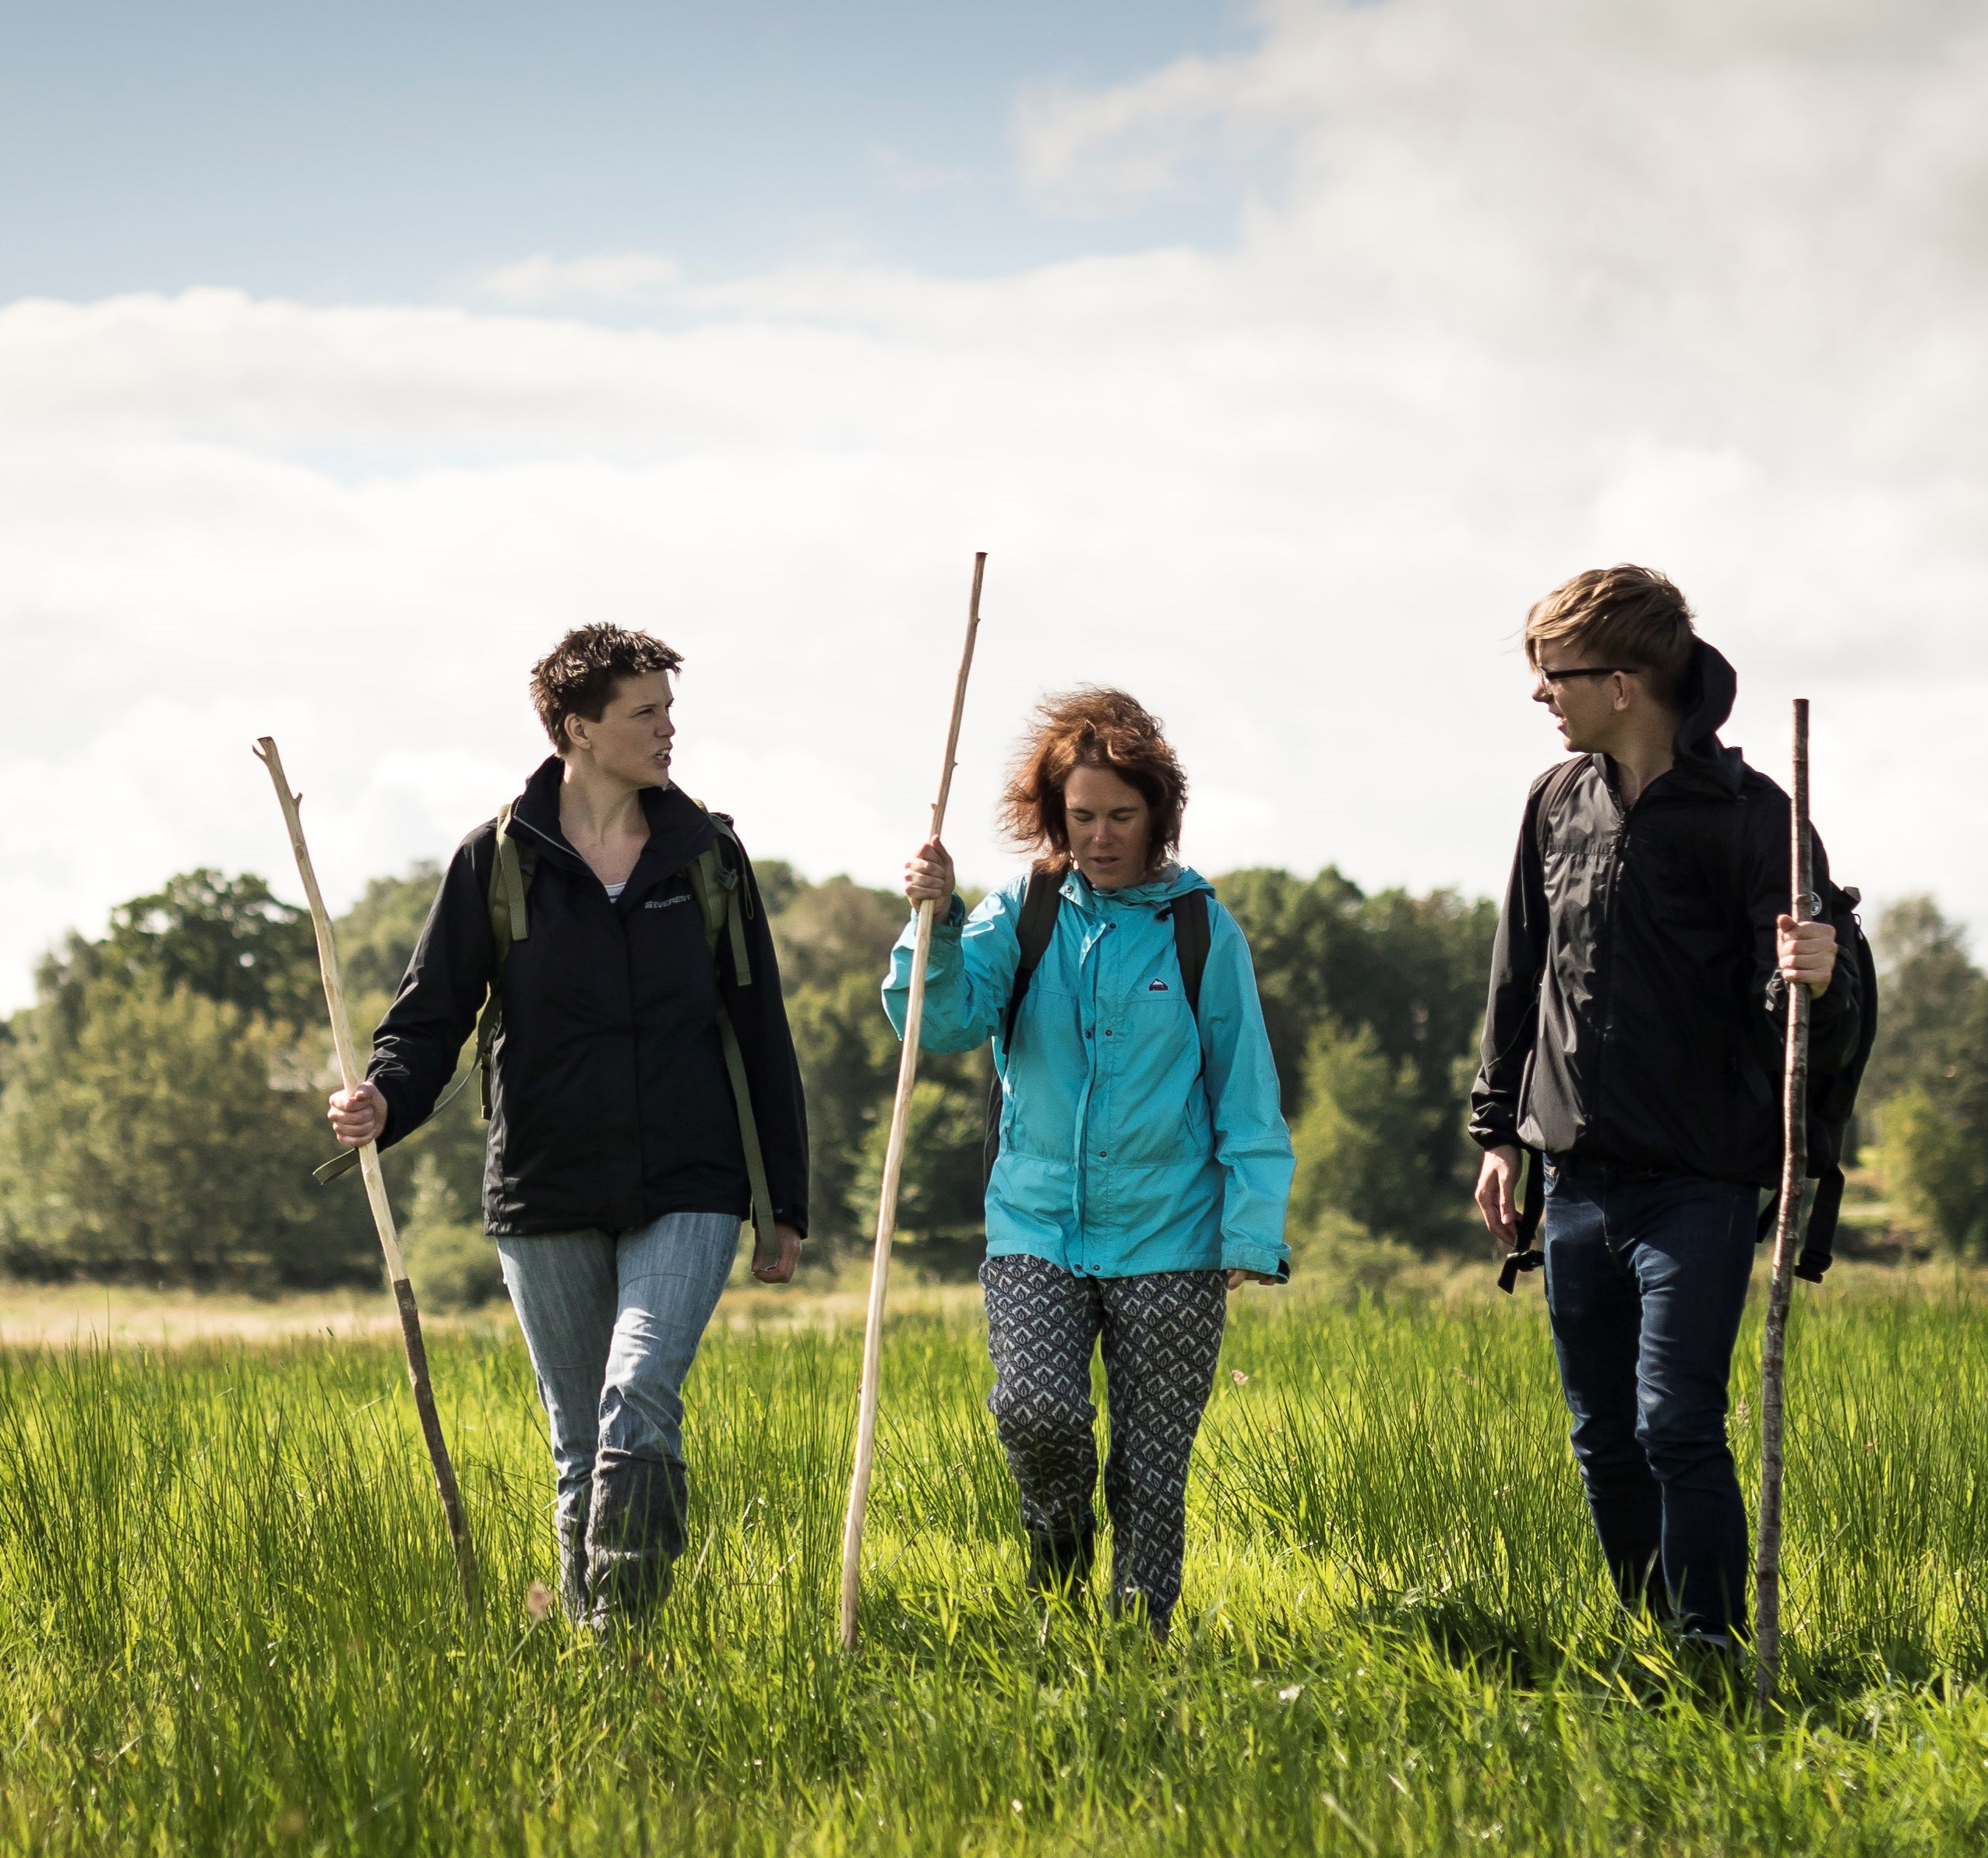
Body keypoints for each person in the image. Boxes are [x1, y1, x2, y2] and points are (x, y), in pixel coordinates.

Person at [333, 625, 816, 1626]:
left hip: (691, 1179)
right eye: (645, 712)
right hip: (544, 1187)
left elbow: (759, 1028)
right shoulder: (495, 862)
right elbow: (429, 1019)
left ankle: (621, 1627)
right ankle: (607, 1682)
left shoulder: (708, 857)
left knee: (634, 1393)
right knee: (580, 1444)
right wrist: (384, 1099)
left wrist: (785, 1202)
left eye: (668, 709)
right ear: (577, 728)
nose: (667, 730)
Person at [1465, 564, 1871, 1661]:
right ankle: (1648, 1638)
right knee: (1602, 1436)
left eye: (1556, 675)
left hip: (1699, 1181)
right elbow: (1519, 977)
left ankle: (1711, 1642)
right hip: (1576, 1183)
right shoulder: (1556, 805)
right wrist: (1500, 1132)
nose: (1542, 695)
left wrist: (1822, 975)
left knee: (1675, 1420)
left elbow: (1817, 1028)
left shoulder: (1759, 822)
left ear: (1627, 681)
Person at [885, 688, 1292, 1631]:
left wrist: (1251, 1229)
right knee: (1037, 1410)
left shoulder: (1199, 930)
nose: (1101, 836)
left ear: (1158, 814)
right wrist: (932, 924)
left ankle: (1137, 1646)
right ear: (1052, 816)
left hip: (1173, 1236)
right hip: (1034, 1224)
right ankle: (1055, 1548)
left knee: (1151, 1471)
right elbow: (934, 1022)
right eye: (1081, 816)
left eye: (1121, 815)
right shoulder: (1016, 915)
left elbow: (1246, 1089)